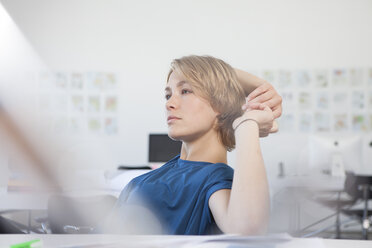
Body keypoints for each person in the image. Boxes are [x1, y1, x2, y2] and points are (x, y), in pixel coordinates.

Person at [108, 55, 282, 235]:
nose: (169, 103)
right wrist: (260, 85)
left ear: (220, 103)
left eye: (185, 91)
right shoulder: (171, 171)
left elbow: (248, 229)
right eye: (168, 95)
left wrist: (247, 124)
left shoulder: (215, 179)